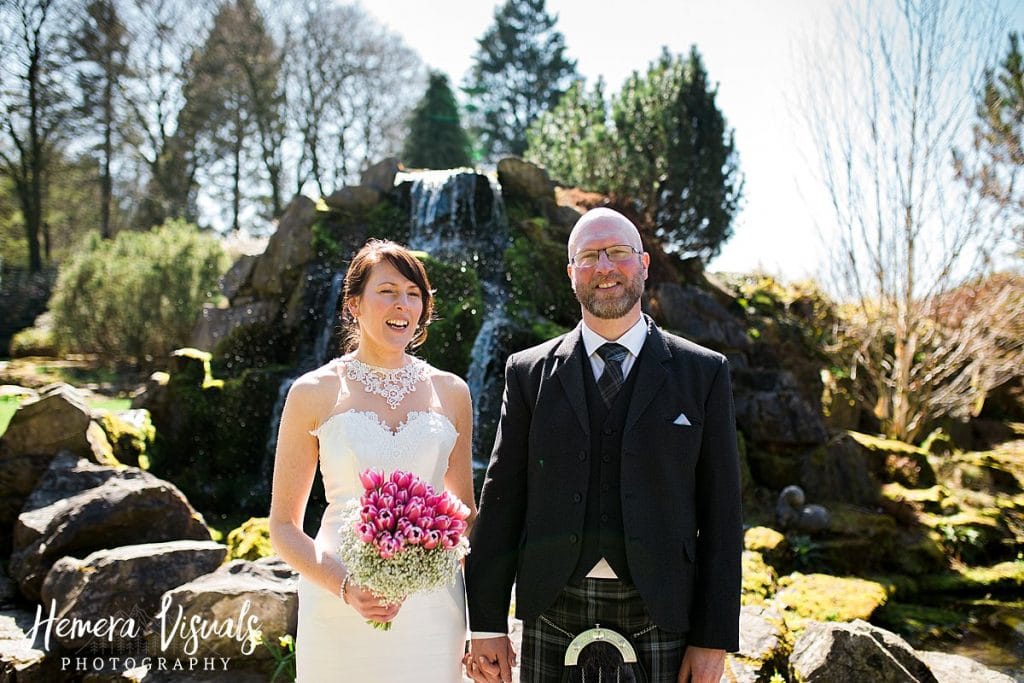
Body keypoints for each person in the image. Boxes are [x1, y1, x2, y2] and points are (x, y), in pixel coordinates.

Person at [465, 208, 742, 683]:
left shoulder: (703, 373)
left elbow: (722, 515)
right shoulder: (527, 373)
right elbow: (502, 500)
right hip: (553, 605)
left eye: (618, 252)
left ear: (645, 263)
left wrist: (712, 637)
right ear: (571, 272)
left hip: (663, 610)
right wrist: (486, 623)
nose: (605, 267)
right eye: (589, 256)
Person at [268, 239, 476, 682]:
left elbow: (466, 515)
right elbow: (283, 527)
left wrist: (475, 613)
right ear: (353, 304)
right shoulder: (313, 392)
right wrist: (345, 585)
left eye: (413, 294)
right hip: (338, 601)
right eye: (387, 291)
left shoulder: (453, 392)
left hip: (433, 605)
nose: (402, 304)